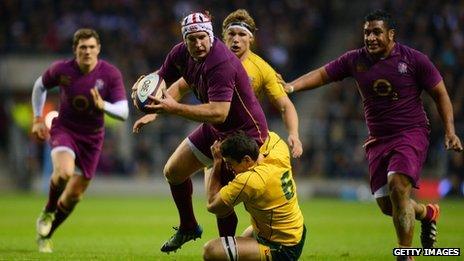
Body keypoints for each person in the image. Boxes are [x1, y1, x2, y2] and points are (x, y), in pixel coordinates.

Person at [284, 9, 463, 255]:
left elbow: (440, 94)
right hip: (378, 140)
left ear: (391, 35)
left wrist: (450, 131)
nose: (370, 38)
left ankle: (405, 254)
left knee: (398, 185)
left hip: (411, 132)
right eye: (367, 32)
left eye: (377, 32)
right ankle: (427, 212)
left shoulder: (414, 60)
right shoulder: (355, 60)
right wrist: (291, 87)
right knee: (389, 206)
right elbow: (322, 75)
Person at [131, 12, 269, 253]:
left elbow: (219, 112)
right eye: (192, 39)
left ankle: (228, 252)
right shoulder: (180, 54)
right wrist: (150, 101)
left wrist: (173, 109)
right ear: (184, 40)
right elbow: (165, 80)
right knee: (173, 172)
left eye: (203, 37)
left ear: (211, 35)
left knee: (218, 201)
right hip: (217, 129)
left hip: (244, 135)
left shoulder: (221, 63)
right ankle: (188, 226)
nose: (198, 44)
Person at [32, 28, 128, 253]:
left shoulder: (110, 74)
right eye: (83, 47)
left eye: (92, 47)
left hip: (93, 138)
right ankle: (47, 211)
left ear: (98, 49)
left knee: (75, 195)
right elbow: (39, 86)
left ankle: (46, 234)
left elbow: (123, 112)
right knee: (64, 172)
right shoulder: (62, 69)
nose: (87, 51)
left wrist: (103, 105)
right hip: (64, 130)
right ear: (75, 49)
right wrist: (37, 118)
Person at [203, 131, 306, 261]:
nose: (229, 168)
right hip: (295, 230)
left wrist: (215, 163)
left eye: (230, 164)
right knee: (239, 243)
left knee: (211, 250)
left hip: (282, 247)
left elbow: (213, 205)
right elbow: (263, 131)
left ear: (247, 159)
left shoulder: (251, 180)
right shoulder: (277, 145)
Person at [222, 9, 302, 158]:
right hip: (215, 131)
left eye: (242, 34)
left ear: (251, 38)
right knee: (173, 170)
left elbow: (285, 106)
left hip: (245, 138)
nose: (236, 39)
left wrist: (294, 134)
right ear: (224, 36)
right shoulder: (212, 62)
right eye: (231, 34)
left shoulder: (262, 68)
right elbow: (183, 85)